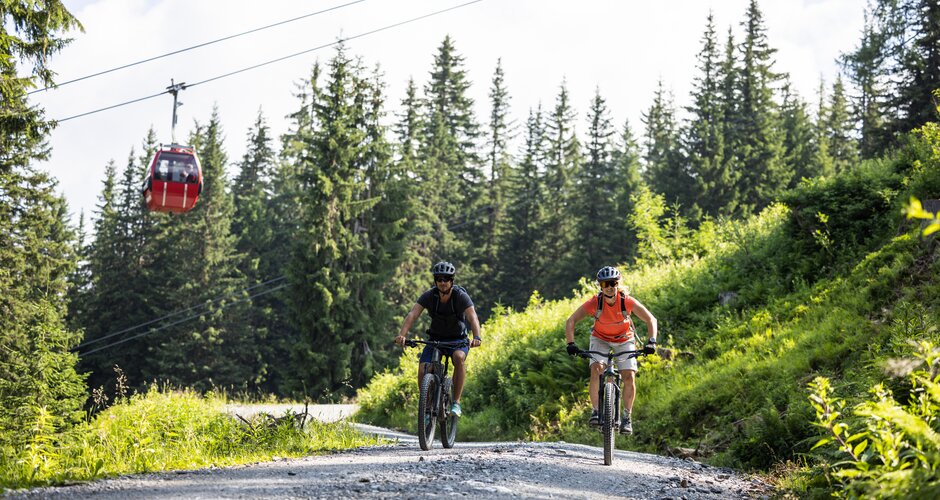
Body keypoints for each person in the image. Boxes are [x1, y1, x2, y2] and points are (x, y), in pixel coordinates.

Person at [564, 265, 658, 435]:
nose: (609, 287)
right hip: (600, 339)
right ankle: (596, 411)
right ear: (600, 286)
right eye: (605, 284)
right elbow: (571, 321)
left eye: (613, 283)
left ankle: (627, 417)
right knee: (596, 369)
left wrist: (651, 341)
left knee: (628, 375)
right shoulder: (595, 302)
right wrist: (570, 343)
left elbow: (651, 319)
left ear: (618, 284)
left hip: (624, 339)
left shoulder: (626, 301)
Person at [394, 261, 482, 418]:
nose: (442, 282)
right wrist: (402, 335)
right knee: (423, 369)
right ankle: (426, 407)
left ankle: (456, 402)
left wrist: (476, 337)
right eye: (439, 279)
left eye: (446, 279)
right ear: (435, 281)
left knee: (459, 358)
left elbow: (472, 316)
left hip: (457, 340)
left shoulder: (460, 296)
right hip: (435, 339)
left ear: (452, 281)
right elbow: (413, 314)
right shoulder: (429, 296)